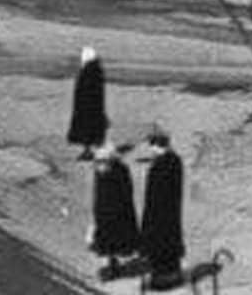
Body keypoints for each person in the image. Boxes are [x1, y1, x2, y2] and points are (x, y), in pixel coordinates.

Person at [137, 126, 186, 289]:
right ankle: (172, 275)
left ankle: (163, 279)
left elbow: (152, 195)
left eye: (152, 145)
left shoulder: (160, 165)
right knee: (169, 244)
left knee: (160, 247)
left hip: (158, 214)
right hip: (171, 212)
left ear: (157, 145)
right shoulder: (175, 160)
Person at [88, 143, 142, 280]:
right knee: (109, 242)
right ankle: (112, 265)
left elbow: (126, 191)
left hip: (114, 211)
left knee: (113, 241)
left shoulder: (116, 170)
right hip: (107, 211)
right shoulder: (111, 170)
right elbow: (99, 192)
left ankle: (113, 266)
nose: (101, 164)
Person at [67, 45, 108, 159]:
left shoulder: (89, 71)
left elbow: (86, 89)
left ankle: (89, 151)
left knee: (87, 130)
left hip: (87, 106)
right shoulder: (95, 70)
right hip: (92, 106)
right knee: (91, 130)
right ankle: (91, 150)